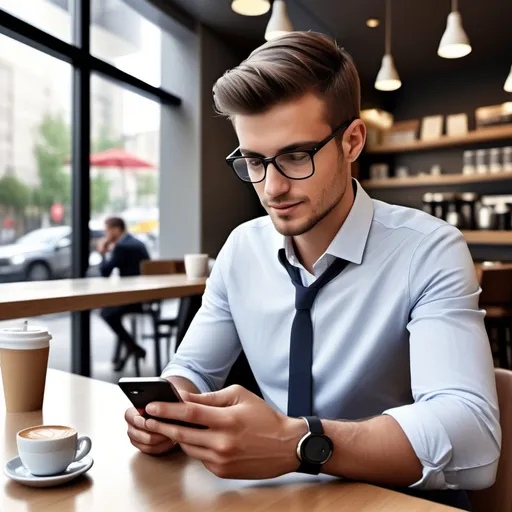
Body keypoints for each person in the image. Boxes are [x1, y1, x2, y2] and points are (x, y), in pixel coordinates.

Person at [124, 32, 500, 510]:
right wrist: (168, 408)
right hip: (277, 496)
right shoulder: (241, 249)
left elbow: (474, 439)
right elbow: (194, 368)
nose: (272, 187)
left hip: (395, 498)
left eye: (296, 156)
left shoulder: (429, 250)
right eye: (254, 161)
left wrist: (295, 443)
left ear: (352, 142)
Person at [98, 217, 149, 371]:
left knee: (106, 313)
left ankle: (131, 346)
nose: (105, 234)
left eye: (107, 230)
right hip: (146, 298)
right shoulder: (138, 243)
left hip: (133, 300)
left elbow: (105, 272)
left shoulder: (121, 247)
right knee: (110, 312)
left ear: (116, 230)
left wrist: (102, 252)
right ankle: (129, 347)